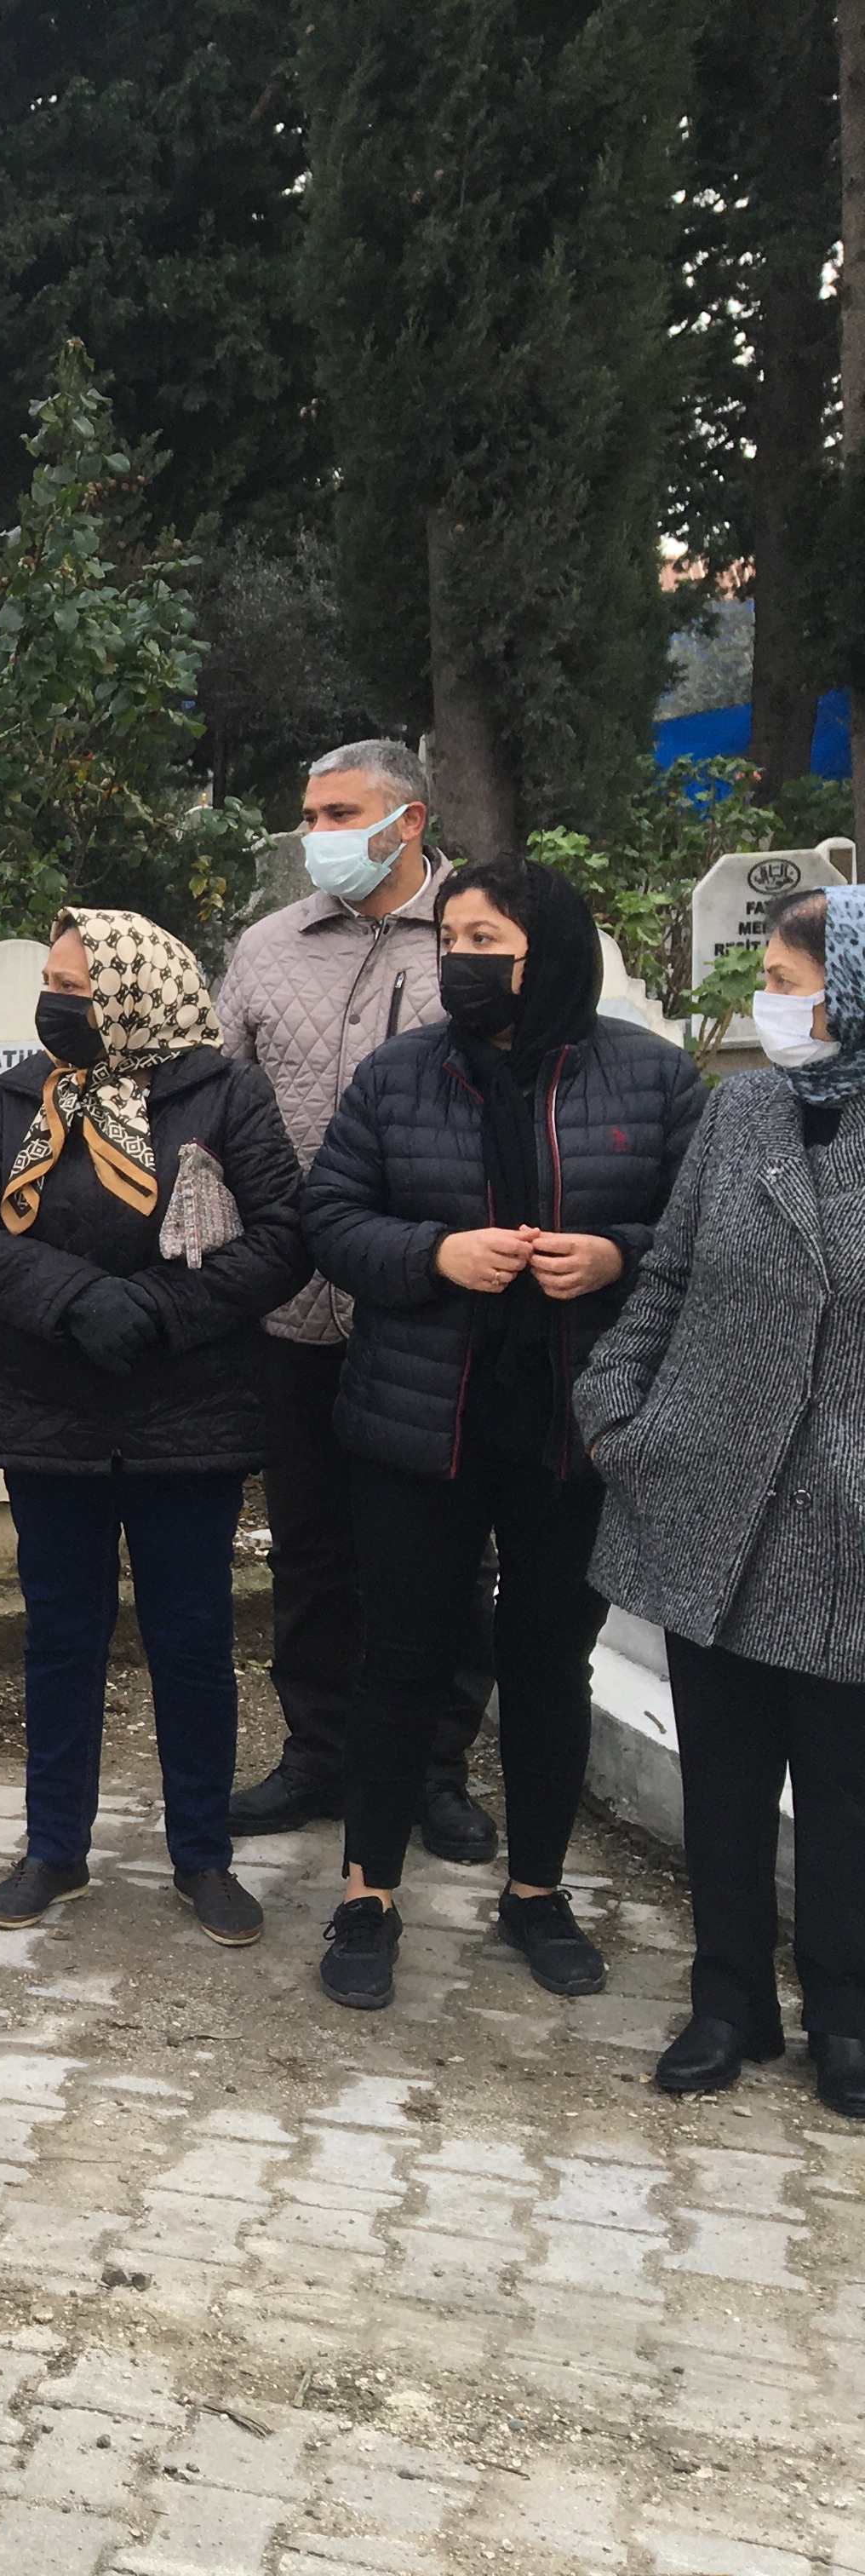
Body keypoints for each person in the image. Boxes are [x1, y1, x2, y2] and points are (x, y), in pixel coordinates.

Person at [301, 854, 701, 2013]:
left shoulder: (651, 1077)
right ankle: (368, 1893)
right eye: (453, 943)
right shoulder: (398, 1076)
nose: (460, 964)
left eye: (488, 945)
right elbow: (331, 1218)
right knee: (400, 1659)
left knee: (544, 1664)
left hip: (571, 1434)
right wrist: (435, 1255)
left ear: (555, 954)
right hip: (420, 1424)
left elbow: (694, 1228)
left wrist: (617, 1258)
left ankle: (535, 1892)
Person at [0, 911, 307, 1943]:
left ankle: (202, 1856)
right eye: (50, 983)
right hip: (48, 1409)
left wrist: (155, 1311)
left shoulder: (223, 1095)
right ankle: (55, 1848)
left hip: (186, 1411)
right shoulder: (23, 1097)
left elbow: (284, 1238)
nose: (56, 1003)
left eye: (77, 985)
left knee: (190, 1638)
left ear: (137, 992)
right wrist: (70, 1296)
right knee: (62, 1634)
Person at [576, 884, 865, 2114]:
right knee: (727, 1777)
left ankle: (845, 2018)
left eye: (791, 984)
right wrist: (614, 1403)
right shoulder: (742, 1107)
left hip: (845, 1518)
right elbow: (672, 1272)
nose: (772, 1008)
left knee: (846, 1788)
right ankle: (727, 1998)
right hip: (707, 1489)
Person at [215, 740, 498, 1859]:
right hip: (292, 1310)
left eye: (338, 812)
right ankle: (321, 1753)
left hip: (434, 1311)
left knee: (446, 1551)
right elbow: (216, 1103)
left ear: (409, 820)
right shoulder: (265, 949)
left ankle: (434, 1768)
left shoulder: (470, 945)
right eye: (307, 813)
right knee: (312, 1546)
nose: (314, 833)